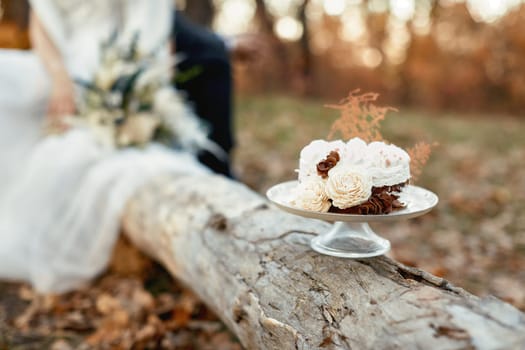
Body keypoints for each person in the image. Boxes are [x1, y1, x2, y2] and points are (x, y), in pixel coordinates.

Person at [0, 0, 212, 293]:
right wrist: (59, 77)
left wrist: (141, 86)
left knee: (81, 147)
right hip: (58, 60)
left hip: (114, 65)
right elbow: (42, 22)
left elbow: (152, 28)